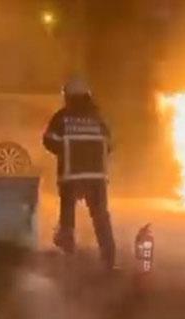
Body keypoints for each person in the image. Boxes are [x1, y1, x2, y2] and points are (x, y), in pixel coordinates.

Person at [43, 77, 116, 270]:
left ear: (68, 96)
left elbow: (49, 141)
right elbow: (110, 145)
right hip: (97, 177)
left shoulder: (62, 117)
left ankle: (68, 254)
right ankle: (109, 257)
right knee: (100, 216)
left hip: (71, 175)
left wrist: (65, 152)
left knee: (67, 215)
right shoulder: (99, 119)